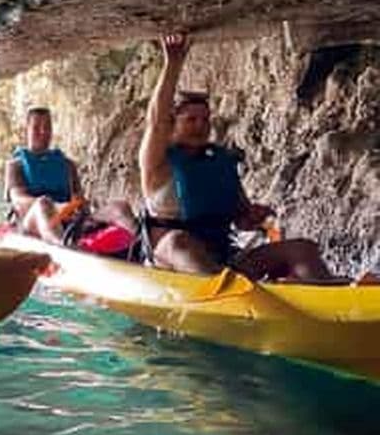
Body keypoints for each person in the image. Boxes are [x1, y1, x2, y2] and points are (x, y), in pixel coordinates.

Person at [139, 33, 334, 280]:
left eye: (205, 120)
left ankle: (327, 302)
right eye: (191, 120)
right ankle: (224, 300)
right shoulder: (158, 163)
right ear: (172, 124)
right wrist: (173, 63)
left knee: (302, 248)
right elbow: (155, 121)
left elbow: (242, 221)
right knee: (179, 242)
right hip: (172, 266)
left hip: (224, 265)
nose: (200, 126)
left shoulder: (219, 163)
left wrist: (251, 216)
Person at [5, 106, 136, 248]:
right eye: (36, 128)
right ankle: (63, 247)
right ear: (27, 130)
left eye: (47, 127)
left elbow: (78, 197)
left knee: (120, 207)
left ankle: (144, 247)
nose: (43, 132)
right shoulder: (15, 165)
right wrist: (55, 207)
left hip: (69, 218)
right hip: (34, 219)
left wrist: (77, 207)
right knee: (43, 204)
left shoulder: (67, 164)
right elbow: (19, 201)